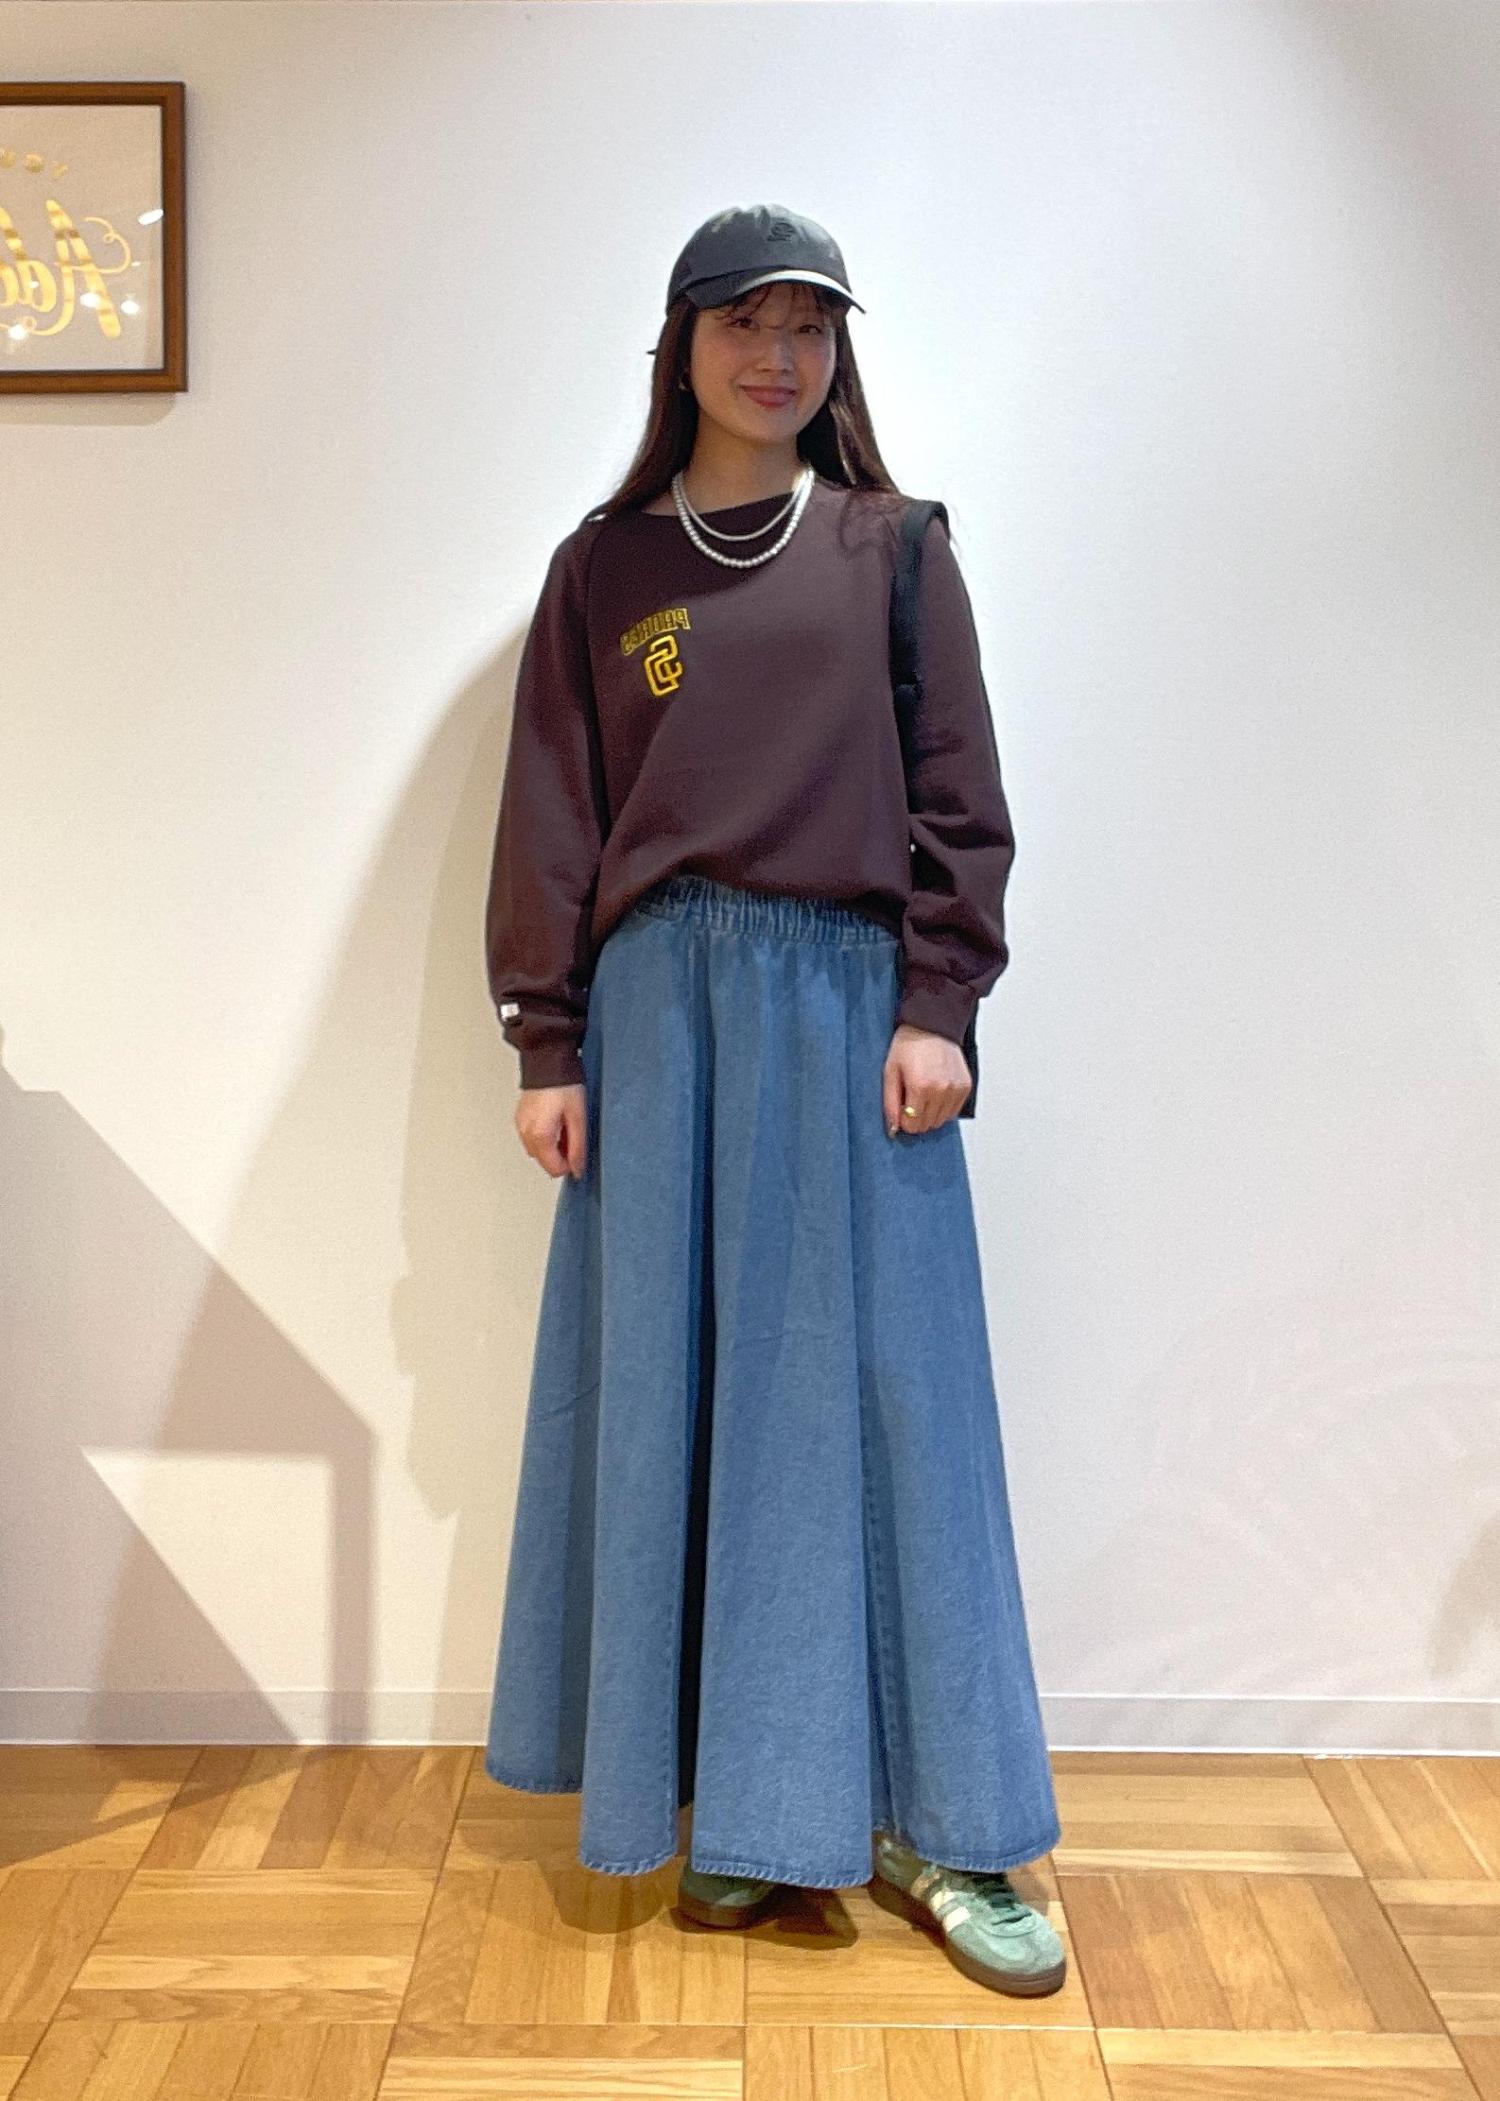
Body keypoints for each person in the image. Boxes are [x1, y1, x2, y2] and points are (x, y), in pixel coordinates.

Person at [481, 203, 1066, 1998]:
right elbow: (555, 811)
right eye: (746, 322)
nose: (779, 356)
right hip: (660, 1023)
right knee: (691, 1405)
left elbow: (959, 794)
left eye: (810, 326)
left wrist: (939, 1001)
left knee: (899, 1406)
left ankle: (951, 1826)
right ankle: (747, 1811)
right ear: (682, 346)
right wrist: (549, 1039)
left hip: (852, 1011)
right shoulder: (605, 573)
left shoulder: (895, 548)